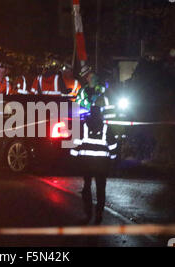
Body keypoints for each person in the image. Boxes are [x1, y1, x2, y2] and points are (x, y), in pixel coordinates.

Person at [73, 65, 117, 224]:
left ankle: (93, 215)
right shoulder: (82, 93)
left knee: (95, 188)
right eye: (88, 76)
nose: (90, 79)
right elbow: (76, 108)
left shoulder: (103, 95)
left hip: (90, 155)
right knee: (93, 188)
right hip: (99, 158)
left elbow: (111, 112)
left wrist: (75, 155)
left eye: (92, 76)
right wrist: (113, 157)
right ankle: (94, 214)